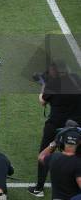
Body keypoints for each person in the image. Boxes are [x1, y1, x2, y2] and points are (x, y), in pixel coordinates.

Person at [29, 62, 81, 197]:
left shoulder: (52, 85)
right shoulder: (76, 78)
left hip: (55, 125)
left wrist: (44, 85)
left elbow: (42, 101)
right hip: (76, 125)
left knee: (44, 153)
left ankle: (39, 188)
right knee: (78, 154)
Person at [37, 126, 81, 200]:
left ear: (62, 141)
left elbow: (41, 157)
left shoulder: (53, 157)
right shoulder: (78, 163)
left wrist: (54, 143)